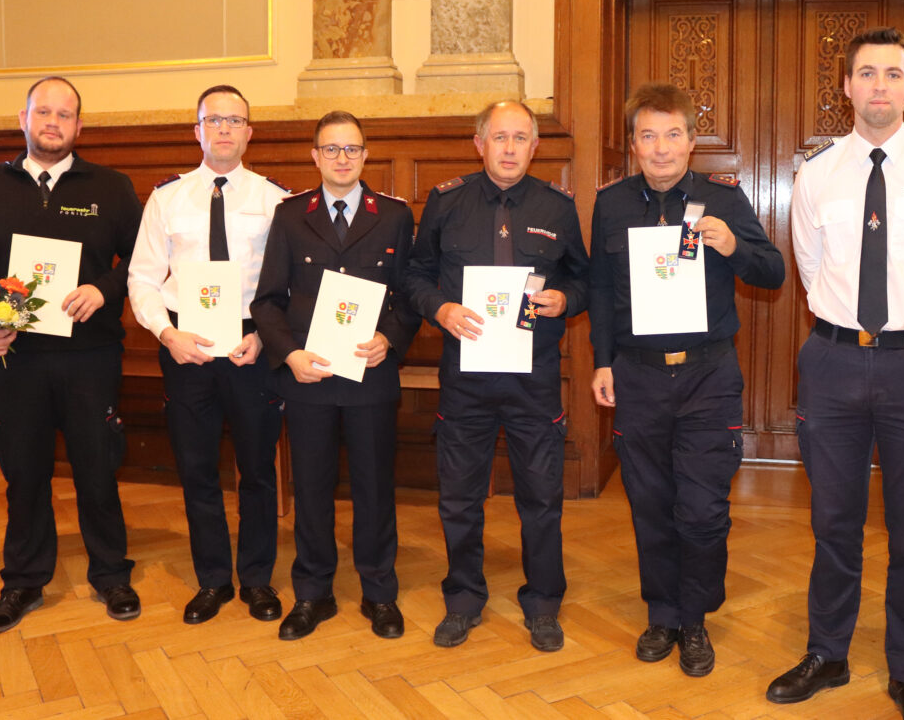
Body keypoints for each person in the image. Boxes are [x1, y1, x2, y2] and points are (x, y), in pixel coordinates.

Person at [766, 27, 904, 720]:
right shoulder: (818, 170)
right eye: (867, 74)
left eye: (893, 74)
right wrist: (850, 334)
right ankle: (828, 653)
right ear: (847, 86)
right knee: (834, 522)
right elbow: (809, 266)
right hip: (832, 362)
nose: (880, 87)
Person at [589, 82, 784, 677]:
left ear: (692, 142)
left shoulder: (724, 199)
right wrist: (601, 360)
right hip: (638, 377)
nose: (661, 148)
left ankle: (695, 617)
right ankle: (662, 615)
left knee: (700, 510)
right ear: (632, 145)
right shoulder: (612, 204)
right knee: (650, 503)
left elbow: (772, 272)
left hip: (707, 377)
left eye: (673, 134)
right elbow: (599, 289)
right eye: (648, 136)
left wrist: (733, 247)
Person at [0, 76, 143, 633]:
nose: (53, 122)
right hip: (15, 359)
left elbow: (145, 264)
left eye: (65, 114)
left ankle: (110, 574)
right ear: (23, 118)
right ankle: (23, 582)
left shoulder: (112, 187)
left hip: (91, 357)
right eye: (43, 112)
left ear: (79, 126)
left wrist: (105, 289)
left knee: (97, 469)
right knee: (24, 474)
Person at [403, 100, 589, 652]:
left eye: (521, 139)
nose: (509, 148)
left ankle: (543, 604)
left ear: (535, 146)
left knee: (541, 497)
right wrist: (440, 309)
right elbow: (414, 275)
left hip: (533, 377)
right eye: (499, 137)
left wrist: (564, 299)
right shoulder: (445, 201)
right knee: (459, 498)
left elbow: (584, 280)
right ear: (479, 143)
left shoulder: (557, 207)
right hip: (466, 376)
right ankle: (462, 599)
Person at [251, 110, 419, 640]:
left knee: (374, 490)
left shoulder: (393, 216)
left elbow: (409, 295)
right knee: (312, 489)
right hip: (310, 379)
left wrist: (390, 337)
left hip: (370, 378)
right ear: (315, 156)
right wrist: (289, 355)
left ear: (366, 155)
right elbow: (267, 302)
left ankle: (379, 593)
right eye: (332, 149)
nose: (342, 159)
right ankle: (313, 593)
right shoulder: (290, 214)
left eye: (352, 149)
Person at [127, 85, 288, 625]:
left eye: (234, 120)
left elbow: (287, 284)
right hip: (185, 346)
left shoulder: (275, 200)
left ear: (249, 132)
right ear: (196, 129)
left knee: (258, 469)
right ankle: (213, 580)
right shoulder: (166, 199)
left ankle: (259, 579)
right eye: (212, 120)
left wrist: (267, 336)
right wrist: (166, 334)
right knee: (197, 469)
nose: (223, 129)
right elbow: (143, 278)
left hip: (250, 345)